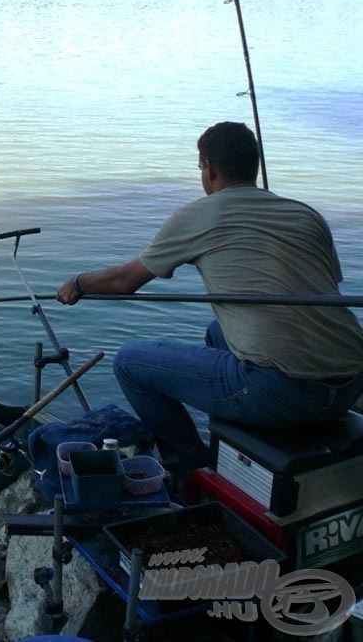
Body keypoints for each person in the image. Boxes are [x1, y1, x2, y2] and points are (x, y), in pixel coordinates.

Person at [55, 121, 363, 479]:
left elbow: (125, 281)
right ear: (255, 167)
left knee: (128, 362)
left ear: (210, 169)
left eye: (201, 167)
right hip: (350, 382)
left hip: (285, 392)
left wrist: (78, 283)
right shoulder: (307, 215)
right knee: (218, 331)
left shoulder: (198, 215)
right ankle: (235, 446)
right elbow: (322, 292)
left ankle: (193, 466)